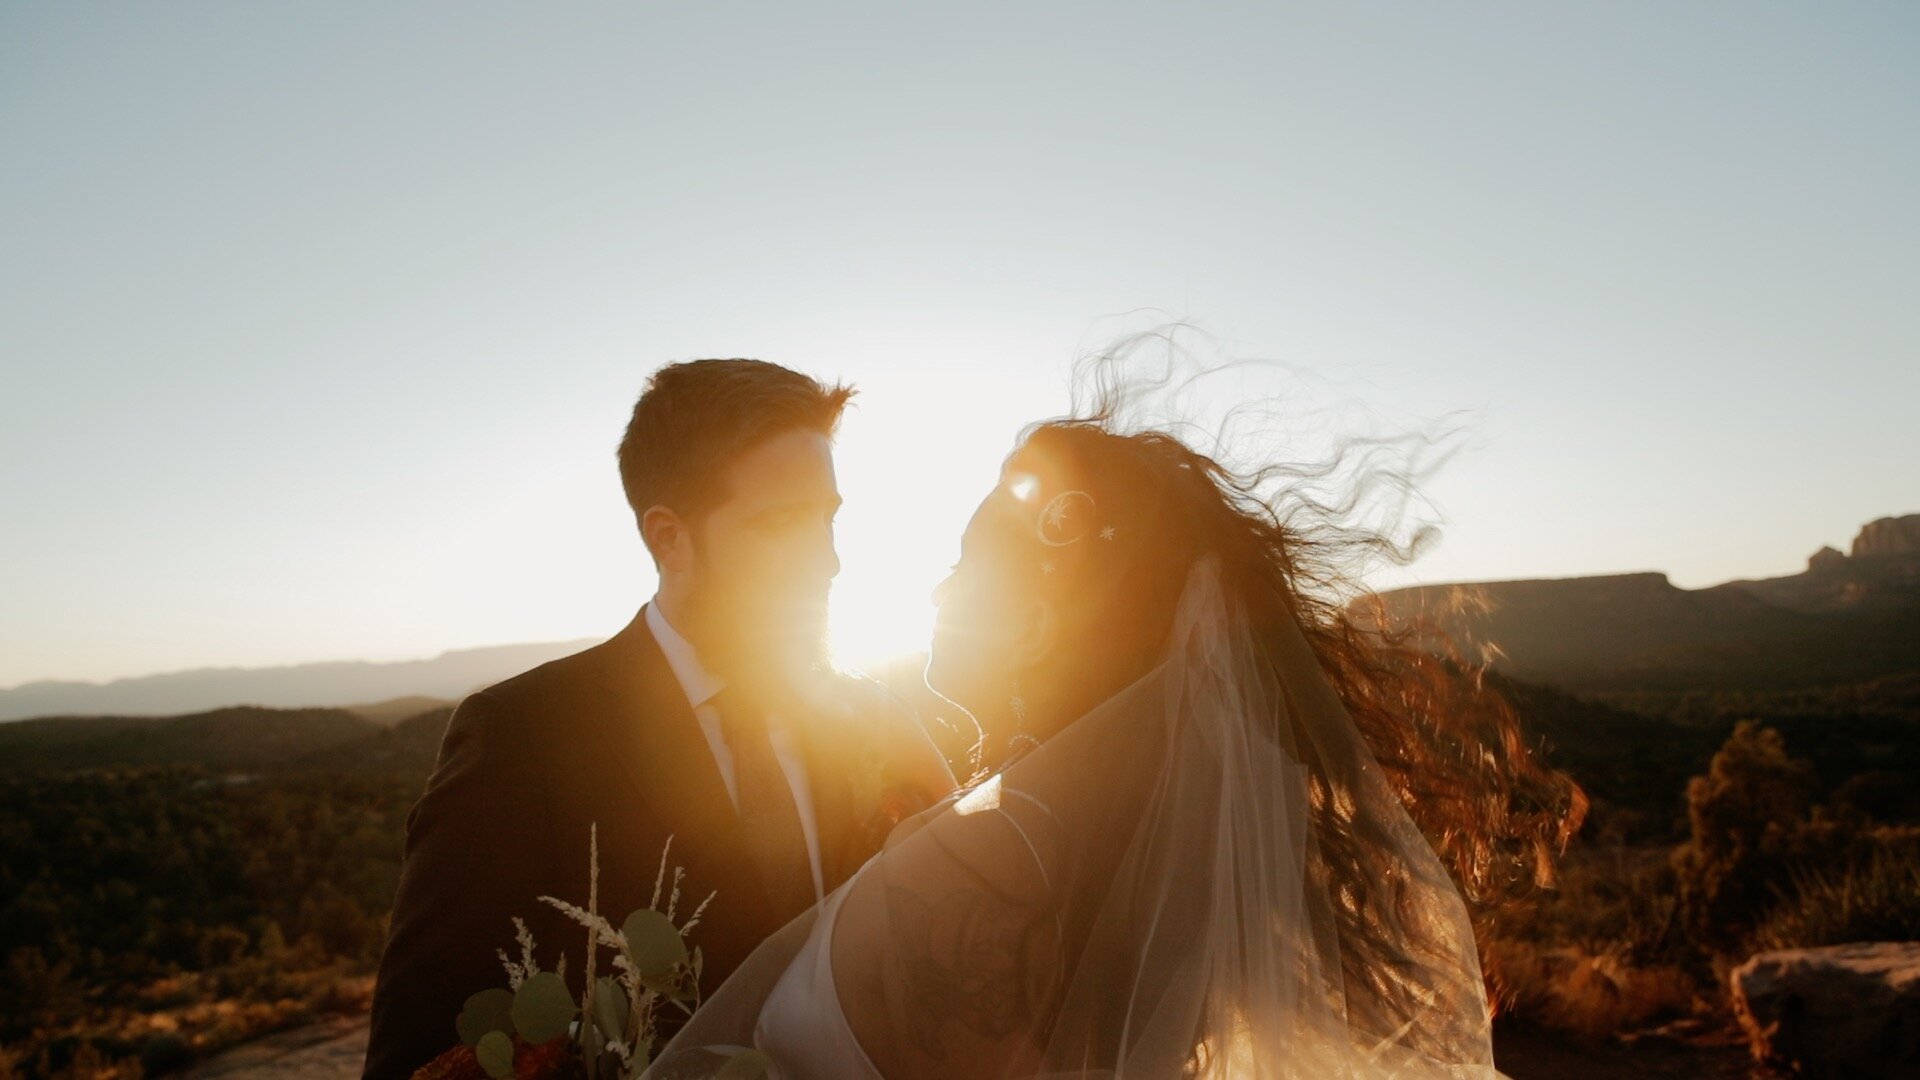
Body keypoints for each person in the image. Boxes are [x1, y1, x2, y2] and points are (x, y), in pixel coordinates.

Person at [648, 382, 1585, 1078]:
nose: (936, 591)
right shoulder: (1133, 856)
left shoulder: (991, 867)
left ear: (1038, 623)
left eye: (963, 562)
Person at [364, 359, 953, 1080]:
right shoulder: (522, 736)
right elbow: (417, 1054)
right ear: (668, 538)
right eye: (780, 524)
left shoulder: (866, 721)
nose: (827, 561)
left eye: (828, 518)